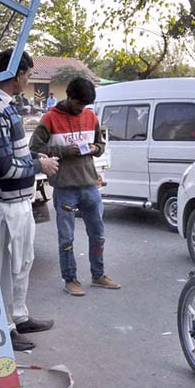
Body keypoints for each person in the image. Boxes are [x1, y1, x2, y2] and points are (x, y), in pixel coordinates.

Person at [0, 48, 60, 352]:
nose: (28, 80)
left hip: (17, 202)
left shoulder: (6, 106)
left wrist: (36, 157)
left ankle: (19, 317)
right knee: (3, 268)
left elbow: (14, 154)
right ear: (19, 75)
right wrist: (40, 166)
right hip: (1, 205)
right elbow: (3, 167)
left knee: (21, 262)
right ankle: (3, 327)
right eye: (27, 74)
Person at [29, 77, 119, 296]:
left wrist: (93, 148)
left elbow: (100, 145)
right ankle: (70, 279)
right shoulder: (50, 119)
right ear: (69, 97)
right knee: (67, 238)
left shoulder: (91, 116)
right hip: (65, 188)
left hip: (90, 185)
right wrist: (64, 152)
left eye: (85, 105)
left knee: (98, 234)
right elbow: (34, 149)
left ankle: (98, 275)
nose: (82, 109)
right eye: (79, 104)